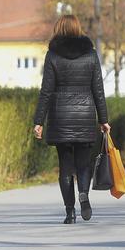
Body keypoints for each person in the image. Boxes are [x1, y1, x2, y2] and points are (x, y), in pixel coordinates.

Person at [33, 15, 110, 224]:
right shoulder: (91, 55)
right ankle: (83, 194)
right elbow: (98, 91)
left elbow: (46, 91)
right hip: (84, 115)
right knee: (83, 164)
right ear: (78, 29)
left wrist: (38, 121)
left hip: (61, 117)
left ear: (59, 29)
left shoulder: (52, 55)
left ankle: (70, 211)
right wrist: (103, 119)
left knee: (65, 167)